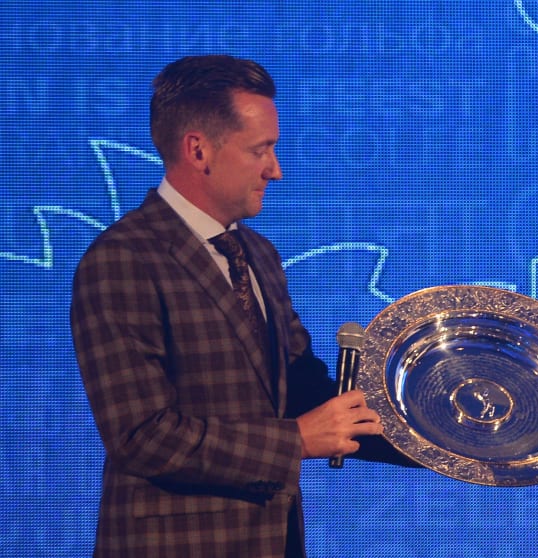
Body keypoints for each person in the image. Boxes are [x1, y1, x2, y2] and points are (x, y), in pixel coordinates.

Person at [71, 55, 405, 557]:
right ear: (199, 150)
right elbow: (143, 437)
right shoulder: (123, 258)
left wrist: (453, 433)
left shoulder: (259, 255)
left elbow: (305, 392)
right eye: (260, 150)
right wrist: (295, 441)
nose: (277, 170)